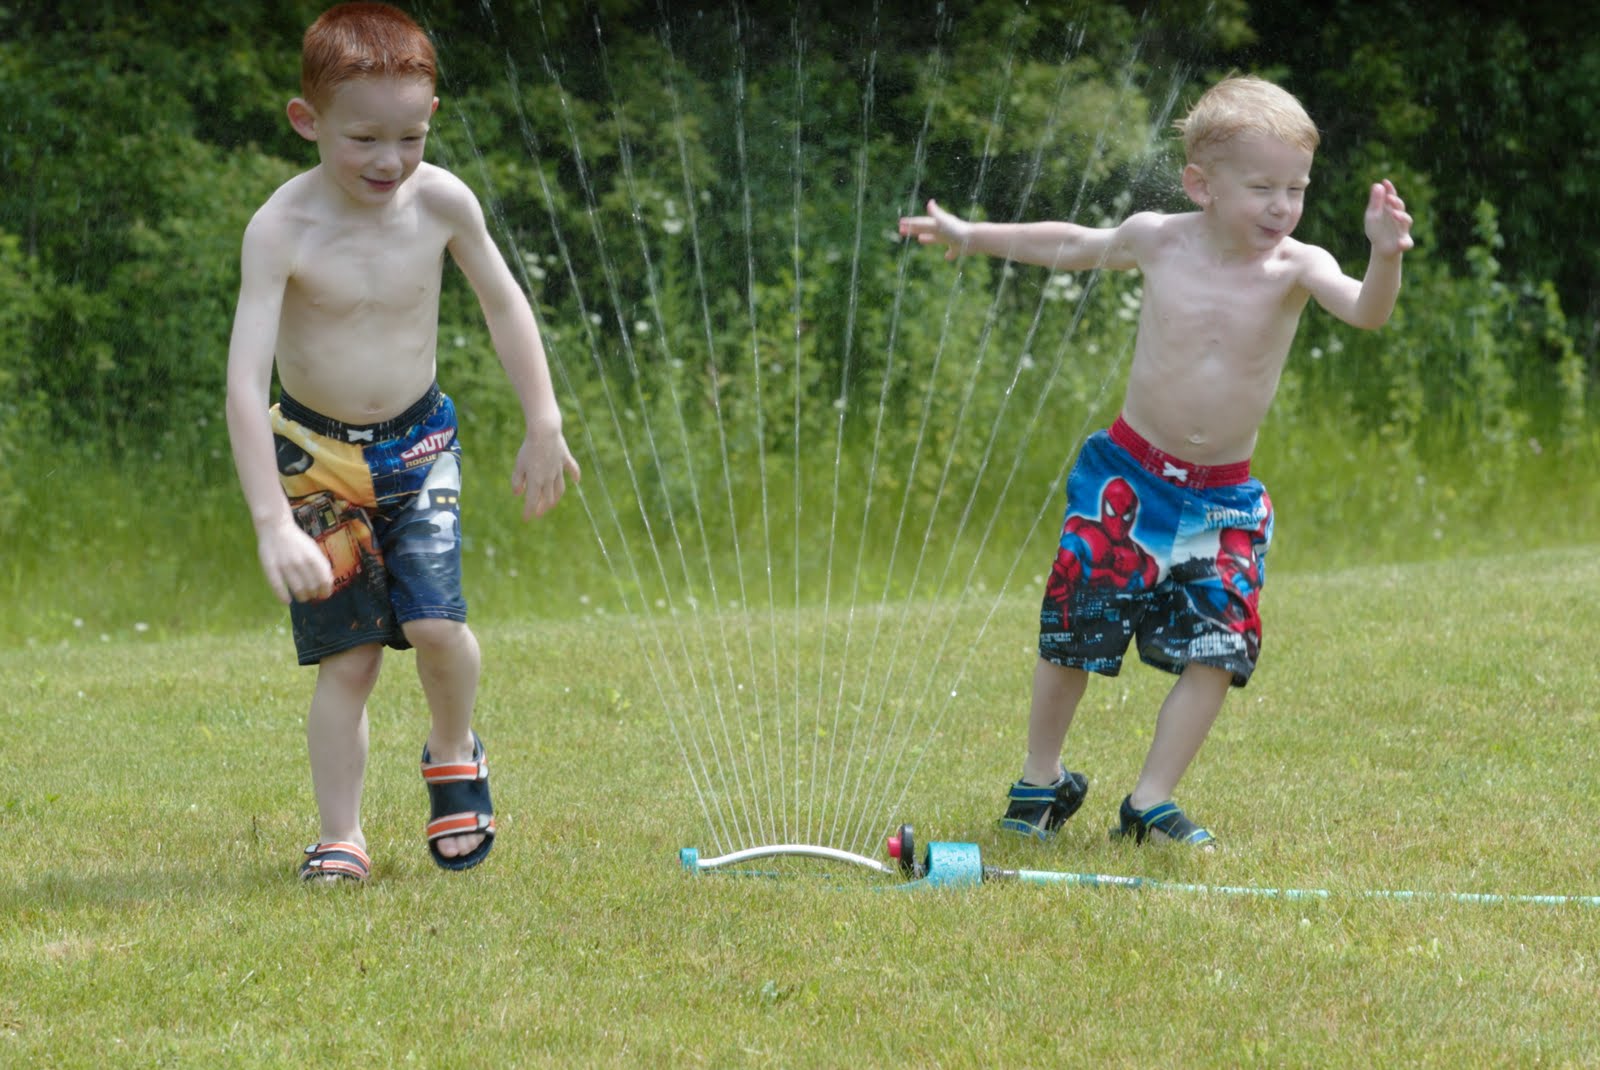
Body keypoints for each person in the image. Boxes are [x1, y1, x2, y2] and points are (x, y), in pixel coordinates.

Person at [899, 74, 1412, 848]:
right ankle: (1041, 781)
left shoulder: (1299, 267)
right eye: (1263, 187)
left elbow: (1369, 312)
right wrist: (974, 236)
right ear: (1201, 185)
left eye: (1297, 188)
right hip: (1127, 480)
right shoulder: (1158, 237)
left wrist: (1384, 255)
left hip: (1225, 499)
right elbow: (1073, 244)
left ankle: (1149, 802)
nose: (1283, 206)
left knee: (1220, 646)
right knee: (1075, 627)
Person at [225, 2, 580, 882]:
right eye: (364, 139)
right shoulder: (282, 230)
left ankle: (454, 748)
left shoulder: (442, 202)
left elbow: (503, 304)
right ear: (308, 122)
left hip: (420, 447)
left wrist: (545, 420)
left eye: (409, 137)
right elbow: (242, 382)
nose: (389, 162)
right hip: (316, 462)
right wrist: (272, 519)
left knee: (434, 625)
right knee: (345, 660)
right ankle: (341, 834)